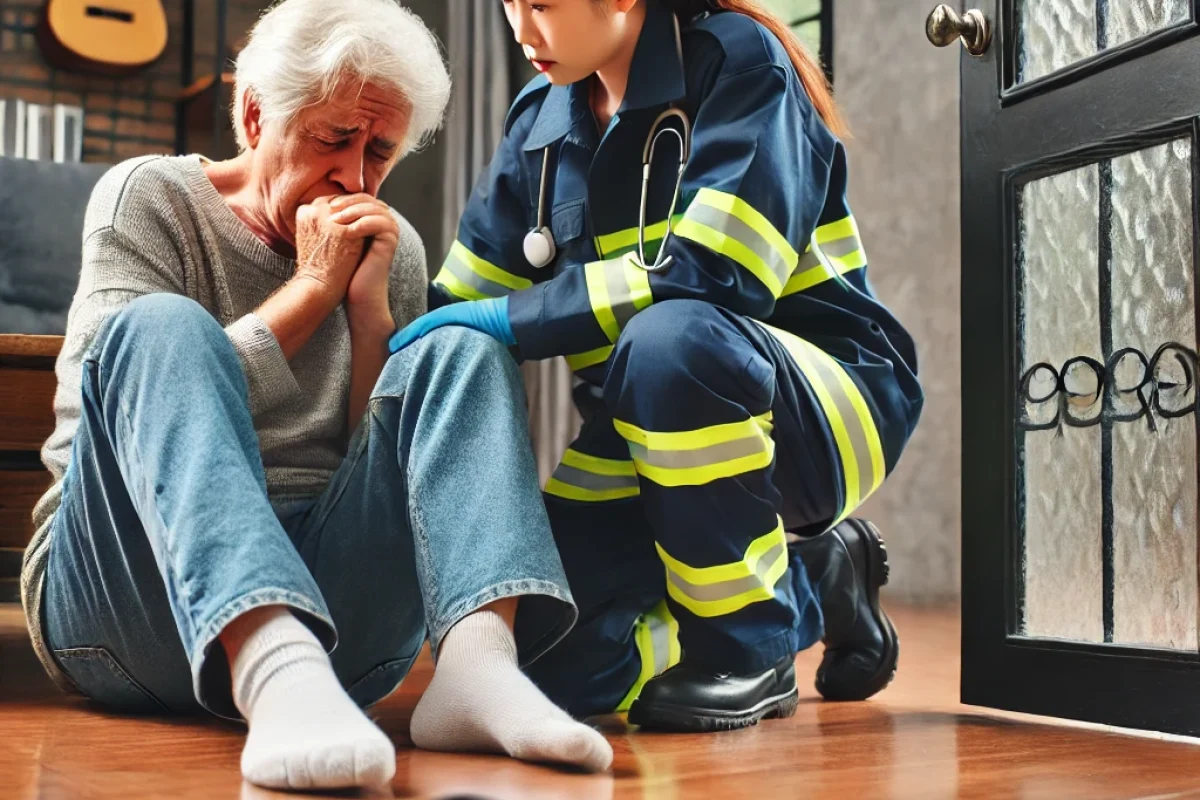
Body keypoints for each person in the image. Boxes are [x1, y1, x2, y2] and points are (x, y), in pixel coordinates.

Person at [20, 0, 614, 791]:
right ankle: (270, 666)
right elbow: (126, 407)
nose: (356, 176)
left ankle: (476, 671)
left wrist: (370, 316)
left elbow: (380, 464)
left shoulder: (387, 246)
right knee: (159, 328)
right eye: (335, 138)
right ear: (255, 113)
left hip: (343, 637)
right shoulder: (151, 199)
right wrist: (310, 290)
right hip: (123, 607)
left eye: (382, 152)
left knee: (462, 344)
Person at [387, 0, 924, 732]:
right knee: (537, 657)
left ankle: (746, 652)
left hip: (823, 400)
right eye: (508, 3)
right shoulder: (539, 121)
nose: (521, 28)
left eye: (540, 3)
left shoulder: (742, 62)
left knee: (671, 340)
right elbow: (466, 295)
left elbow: (714, 274)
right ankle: (812, 580)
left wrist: (511, 320)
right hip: (641, 425)